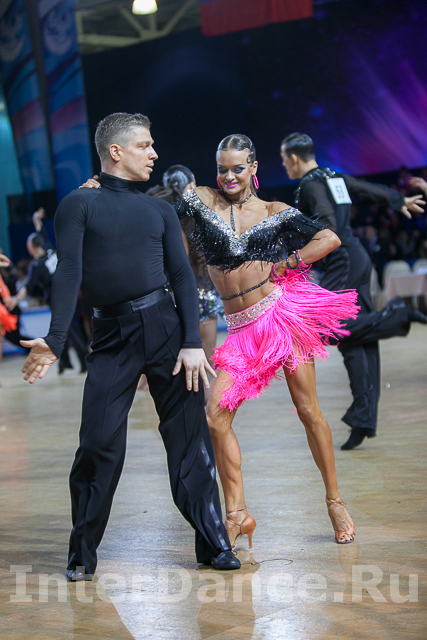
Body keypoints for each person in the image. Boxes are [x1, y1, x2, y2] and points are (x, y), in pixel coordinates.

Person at [21, 112, 240, 580]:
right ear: (116, 151)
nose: (154, 153)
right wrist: (56, 340)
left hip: (166, 329)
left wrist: (191, 341)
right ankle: (82, 554)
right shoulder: (78, 204)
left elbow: (181, 276)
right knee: (98, 444)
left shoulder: (159, 211)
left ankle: (214, 543)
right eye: (145, 145)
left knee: (189, 440)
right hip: (111, 337)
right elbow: (69, 272)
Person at [173, 134, 360, 547]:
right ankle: (237, 514)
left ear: (254, 168)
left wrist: (290, 261)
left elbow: (329, 238)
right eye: (222, 169)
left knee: (308, 410)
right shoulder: (203, 200)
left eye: (237, 168)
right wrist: (108, 185)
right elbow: (163, 204)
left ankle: (334, 500)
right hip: (240, 330)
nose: (229, 176)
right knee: (215, 417)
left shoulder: (275, 211)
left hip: (280, 318)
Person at [280, 133, 427, 450]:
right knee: (355, 338)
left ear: (293, 157)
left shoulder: (310, 185)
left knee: (324, 326)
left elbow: (327, 221)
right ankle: (363, 417)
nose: (284, 165)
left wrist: (309, 243)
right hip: (357, 256)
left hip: (342, 260)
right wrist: (398, 200)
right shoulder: (333, 176)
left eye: (283, 159)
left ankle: (399, 315)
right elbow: (367, 189)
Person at [7, 234, 89, 374]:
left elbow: (28, 286)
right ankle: (65, 363)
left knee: (68, 330)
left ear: (31, 247)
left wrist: (15, 299)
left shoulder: (36, 265)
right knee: (62, 330)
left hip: (56, 300)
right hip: (68, 295)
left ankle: (84, 362)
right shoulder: (51, 253)